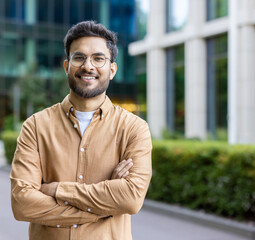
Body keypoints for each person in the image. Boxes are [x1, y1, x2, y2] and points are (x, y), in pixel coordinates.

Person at [10, 20, 152, 240]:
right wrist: (105, 206)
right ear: (67, 66)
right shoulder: (36, 127)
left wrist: (57, 190)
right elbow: (23, 204)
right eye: (79, 57)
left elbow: (131, 199)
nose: (88, 66)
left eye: (98, 58)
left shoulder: (134, 129)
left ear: (112, 70)